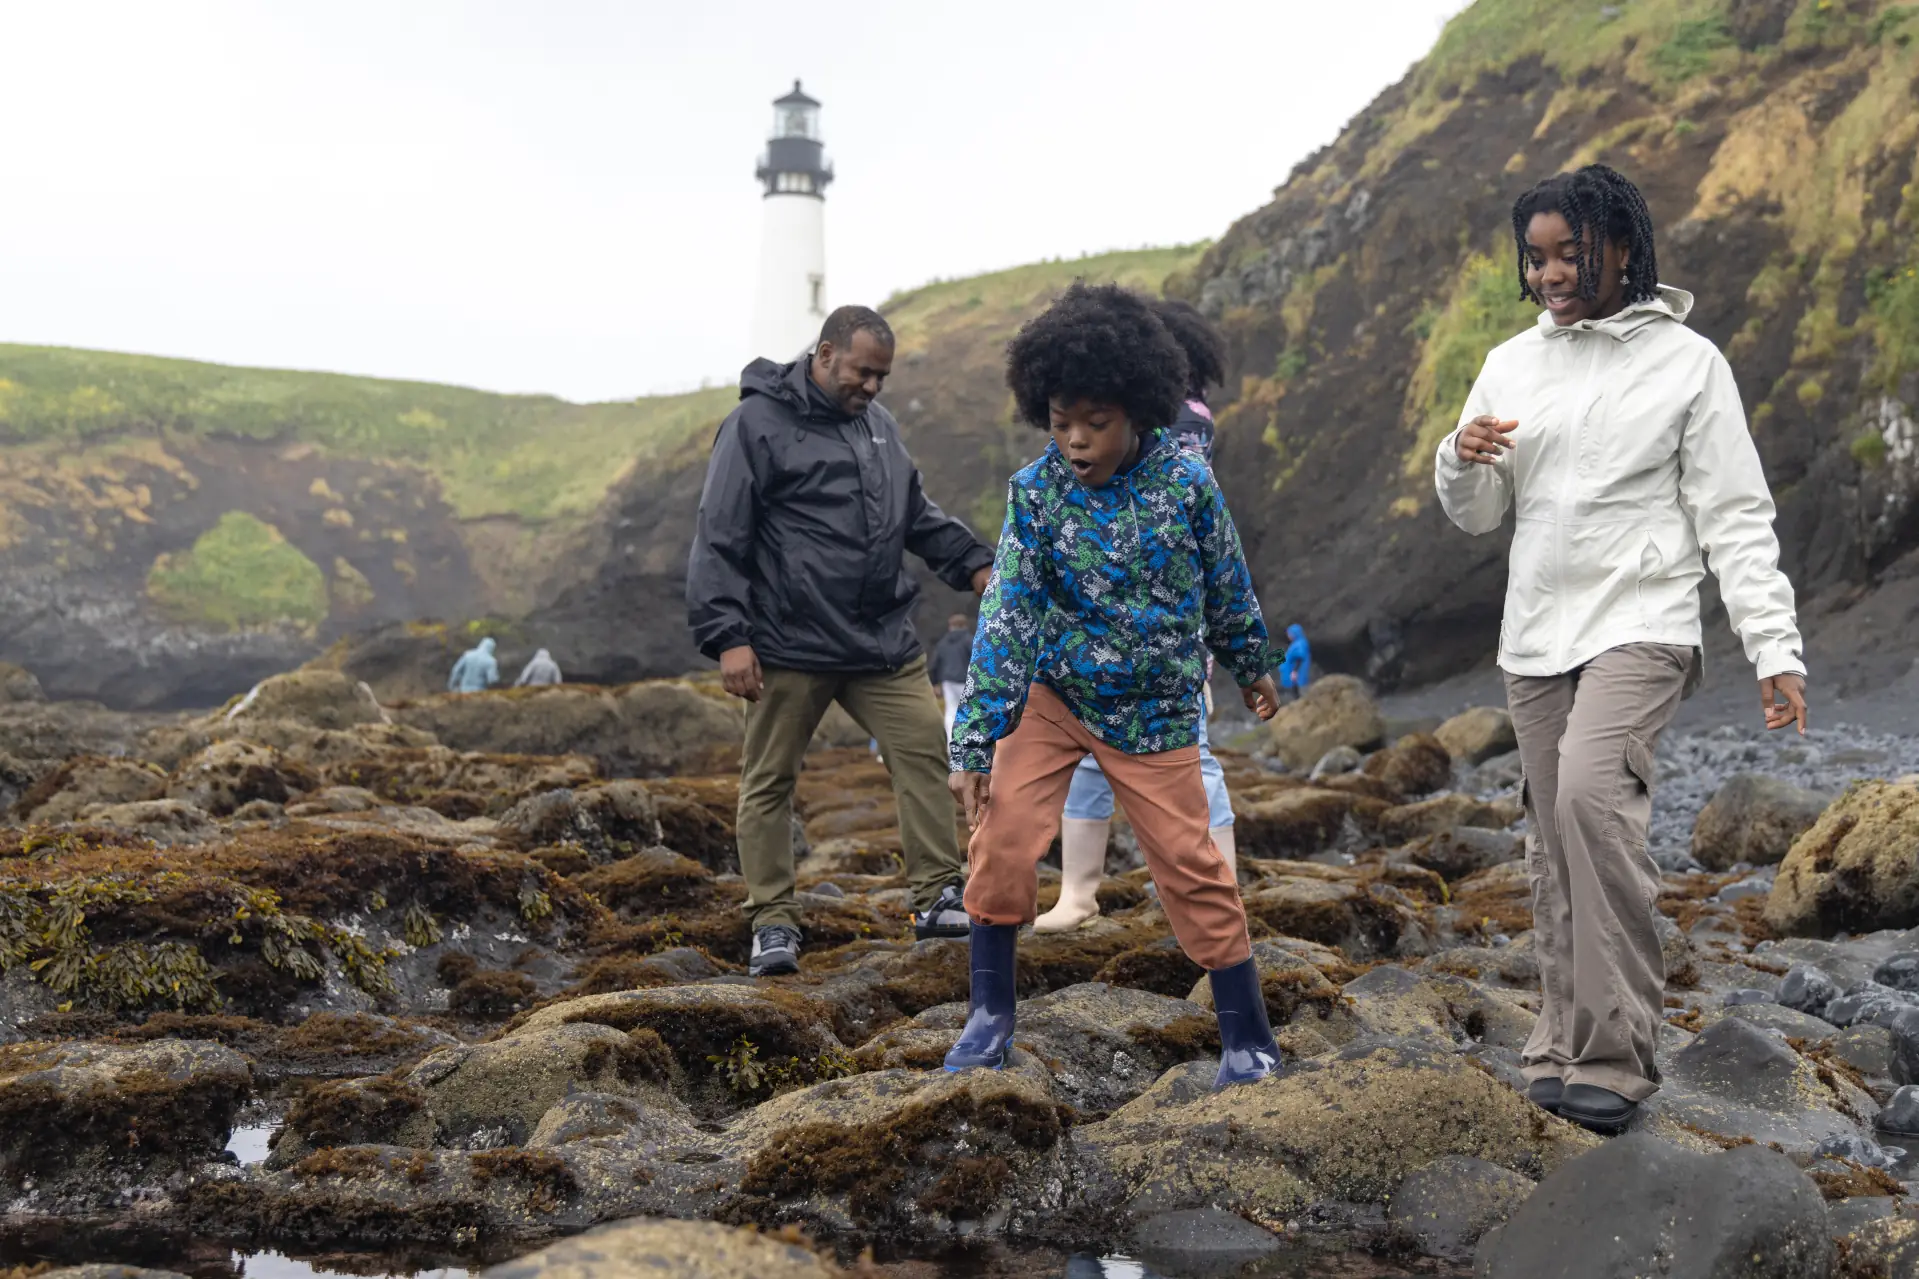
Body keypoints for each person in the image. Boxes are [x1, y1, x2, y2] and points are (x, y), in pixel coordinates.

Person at [1436, 163, 1808, 1134]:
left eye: (1570, 253)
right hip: (1533, 635)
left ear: (1624, 248)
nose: (1550, 274)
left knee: (1588, 801)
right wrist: (1455, 458)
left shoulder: (1688, 363)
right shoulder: (1511, 363)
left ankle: (1615, 1051)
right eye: (1535, 258)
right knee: (1552, 838)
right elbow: (1477, 514)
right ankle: (1557, 1044)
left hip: (1642, 622)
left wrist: (1772, 647)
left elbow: (1732, 515)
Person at [945, 281, 1285, 1089]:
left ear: (1138, 411)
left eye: (1094, 422)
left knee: (1191, 864)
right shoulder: (1035, 494)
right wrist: (974, 738)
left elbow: (1226, 581)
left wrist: (1250, 662)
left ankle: (1246, 1034)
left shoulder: (1186, 482)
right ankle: (988, 1014)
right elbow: (1008, 614)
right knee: (1001, 840)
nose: (1074, 439)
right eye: (1059, 421)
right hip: (1053, 698)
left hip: (1154, 711)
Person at [687, 305, 995, 978]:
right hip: (787, 644)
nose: (873, 387)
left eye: (882, 376)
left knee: (924, 751)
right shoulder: (755, 423)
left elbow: (915, 516)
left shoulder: (878, 427)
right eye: (863, 372)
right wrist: (728, 635)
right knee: (768, 781)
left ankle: (937, 898)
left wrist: (976, 564)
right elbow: (720, 532)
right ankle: (772, 921)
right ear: (825, 354)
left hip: (879, 641)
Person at [1036, 296, 1239, 933]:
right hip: (1128, 620)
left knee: (1183, 752)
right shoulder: (1188, 419)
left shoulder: (1174, 427)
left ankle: (1196, 888)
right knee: (1127, 752)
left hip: (1158, 624)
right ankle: (1086, 892)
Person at [927, 613, 975, 740]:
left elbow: (934, 664)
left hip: (947, 681)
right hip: (966, 681)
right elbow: (977, 660)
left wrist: (934, 683)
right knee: (969, 710)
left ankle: (950, 742)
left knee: (951, 711)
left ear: (950, 626)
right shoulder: (969, 640)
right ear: (965, 625)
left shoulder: (942, 643)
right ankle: (968, 741)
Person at [1278, 623, 1312, 698]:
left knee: (1299, 693)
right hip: (1293, 674)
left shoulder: (1300, 643)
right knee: (1294, 692)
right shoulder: (1296, 643)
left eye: (1290, 634)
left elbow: (1299, 657)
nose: (1288, 636)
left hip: (1297, 674)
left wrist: (1295, 671)